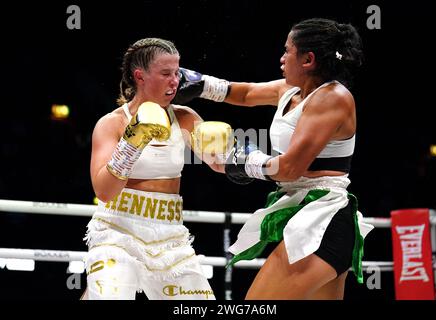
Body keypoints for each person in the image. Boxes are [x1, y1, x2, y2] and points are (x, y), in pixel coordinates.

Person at [173, 18, 374, 299]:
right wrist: (200, 83)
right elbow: (244, 94)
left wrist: (244, 160)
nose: (281, 58)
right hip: (310, 218)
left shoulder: (332, 98)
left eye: (287, 51)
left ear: (308, 59)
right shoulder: (290, 91)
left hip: (323, 220)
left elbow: (290, 168)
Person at [83, 37, 229, 300]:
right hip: (118, 230)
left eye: (177, 72)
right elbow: (104, 191)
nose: (175, 81)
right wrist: (133, 142)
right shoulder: (112, 124)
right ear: (140, 76)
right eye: (165, 74)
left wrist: (230, 151)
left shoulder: (185, 118)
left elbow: (219, 164)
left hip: (170, 234)